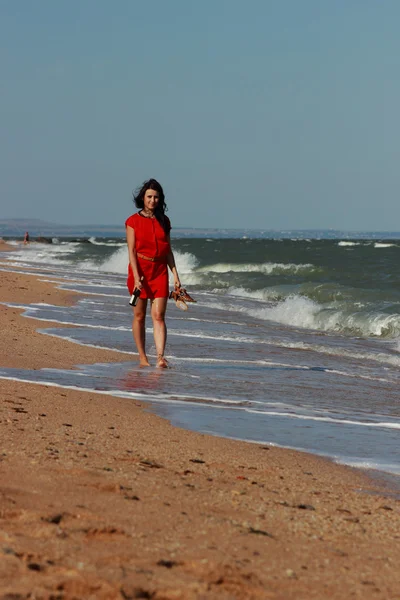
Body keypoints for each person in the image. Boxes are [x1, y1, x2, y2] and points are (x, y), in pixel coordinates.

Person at [125, 179, 181, 368]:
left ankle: (160, 357)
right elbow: (131, 251)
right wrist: (135, 277)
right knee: (139, 316)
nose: (153, 200)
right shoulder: (132, 221)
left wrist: (176, 276)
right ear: (143, 198)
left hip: (159, 271)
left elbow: (169, 251)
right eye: (149, 196)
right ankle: (142, 357)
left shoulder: (164, 221)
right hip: (139, 271)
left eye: (156, 197)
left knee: (159, 315)